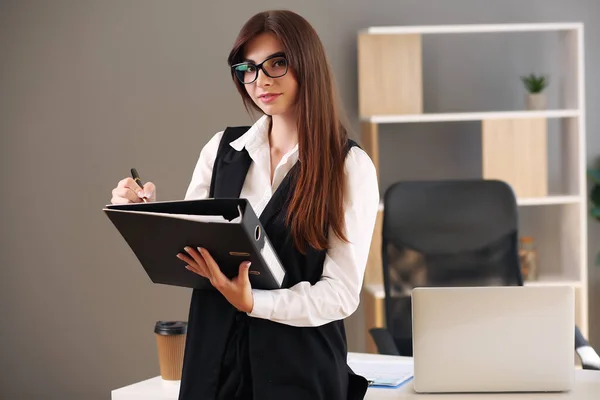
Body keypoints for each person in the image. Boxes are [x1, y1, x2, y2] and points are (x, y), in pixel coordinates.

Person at [110, 9, 379, 400]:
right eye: (247, 69)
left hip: (298, 369)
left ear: (308, 65)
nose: (260, 81)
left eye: (277, 64)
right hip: (213, 361)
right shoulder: (222, 150)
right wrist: (145, 210)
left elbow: (340, 294)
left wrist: (255, 302)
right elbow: (188, 250)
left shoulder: (348, 166)